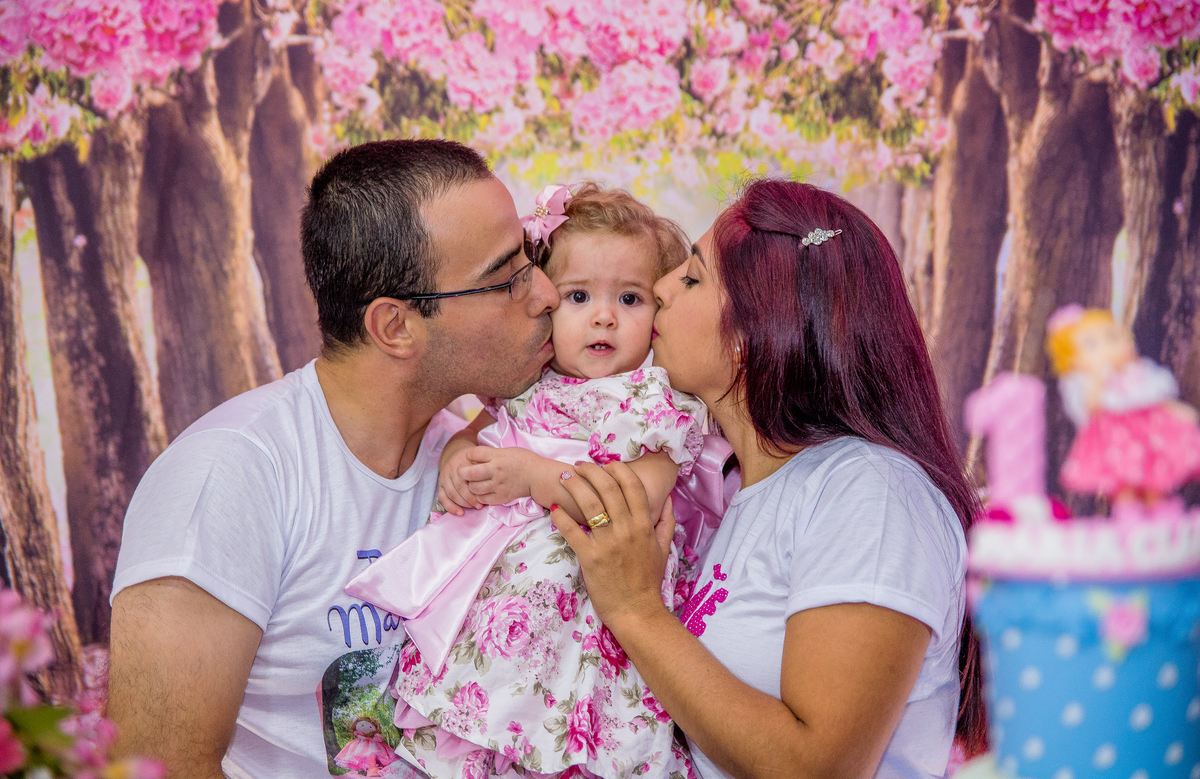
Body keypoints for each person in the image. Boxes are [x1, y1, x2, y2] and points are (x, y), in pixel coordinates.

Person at [106, 139, 560, 778]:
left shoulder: (488, 461)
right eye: (507, 278)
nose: (547, 293)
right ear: (395, 326)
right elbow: (154, 767)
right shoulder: (231, 476)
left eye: (533, 257)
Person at [548, 179, 988, 779]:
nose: (661, 288)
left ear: (749, 334)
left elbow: (817, 768)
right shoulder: (729, 492)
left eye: (692, 278)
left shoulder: (871, 492)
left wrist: (635, 610)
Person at [347, 182, 716, 778]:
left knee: (565, 739)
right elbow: (472, 434)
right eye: (578, 296)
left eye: (629, 298)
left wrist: (531, 476)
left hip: (588, 619)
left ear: (658, 312)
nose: (603, 316)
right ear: (545, 302)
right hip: (500, 610)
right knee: (484, 727)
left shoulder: (656, 402)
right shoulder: (525, 382)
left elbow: (639, 500)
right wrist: (458, 462)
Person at [1045, 304, 1200, 508]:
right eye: (1092, 344)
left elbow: (1157, 396)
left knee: (1154, 471)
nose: (1107, 347)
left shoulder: (1139, 372)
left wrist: (1175, 410)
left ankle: (1158, 504)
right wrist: (1097, 377)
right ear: (1074, 358)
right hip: (1114, 441)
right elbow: (1089, 407)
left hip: (1149, 435)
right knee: (1122, 478)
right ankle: (1127, 508)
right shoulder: (1085, 382)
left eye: (1113, 337)